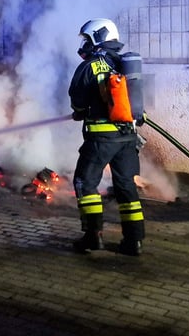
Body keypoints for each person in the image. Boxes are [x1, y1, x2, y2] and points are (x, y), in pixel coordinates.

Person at [68, 18, 144, 256]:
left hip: (101, 139)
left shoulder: (90, 66)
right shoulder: (124, 64)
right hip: (128, 137)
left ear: (98, 36)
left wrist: (79, 112)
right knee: (126, 186)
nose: (84, 45)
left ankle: (93, 236)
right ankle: (134, 241)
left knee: (85, 182)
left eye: (87, 39)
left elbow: (77, 100)